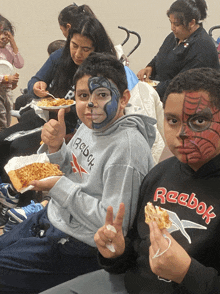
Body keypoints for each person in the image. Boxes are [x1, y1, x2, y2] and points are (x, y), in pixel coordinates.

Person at [41, 67, 220, 294]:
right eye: (173, 120)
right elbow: (134, 254)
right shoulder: (160, 174)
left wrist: (187, 272)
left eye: (200, 120)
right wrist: (117, 252)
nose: (182, 133)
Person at [0, 52, 155, 293]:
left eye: (102, 95)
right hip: (52, 220)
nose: (91, 104)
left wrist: (57, 186)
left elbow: (113, 227)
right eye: (84, 96)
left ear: (123, 99)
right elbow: (71, 170)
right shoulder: (91, 124)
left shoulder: (127, 150)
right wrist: (56, 147)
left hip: (79, 245)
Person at [137, 0, 220, 99]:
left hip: (185, 100)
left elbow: (184, 82)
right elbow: (161, 56)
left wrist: (154, 89)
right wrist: (150, 67)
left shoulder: (203, 46)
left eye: (176, 24)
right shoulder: (174, 37)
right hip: (161, 92)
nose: (172, 28)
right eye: (171, 22)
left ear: (192, 23)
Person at [0, 15, 24, 131]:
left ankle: (5, 132)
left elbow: (19, 64)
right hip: (2, 85)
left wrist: (13, 44)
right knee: (1, 115)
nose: (3, 37)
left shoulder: (9, 49)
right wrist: (5, 78)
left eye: (6, 34)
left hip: (7, 90)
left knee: (8, 111)